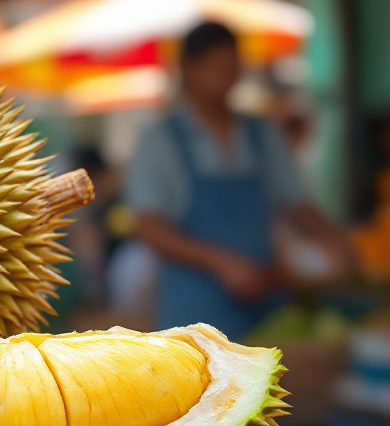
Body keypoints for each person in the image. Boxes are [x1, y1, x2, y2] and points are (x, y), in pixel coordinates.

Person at [126, 21, 345, 340]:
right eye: (216, 67)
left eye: (231, 67)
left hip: (267, 310)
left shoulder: (263, 133)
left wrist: (335, 242)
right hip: (192, 318)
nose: (225, 77)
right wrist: (222, 263)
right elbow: (148, 227)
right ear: (188, 69)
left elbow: (297, 205)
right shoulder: (160, 141)